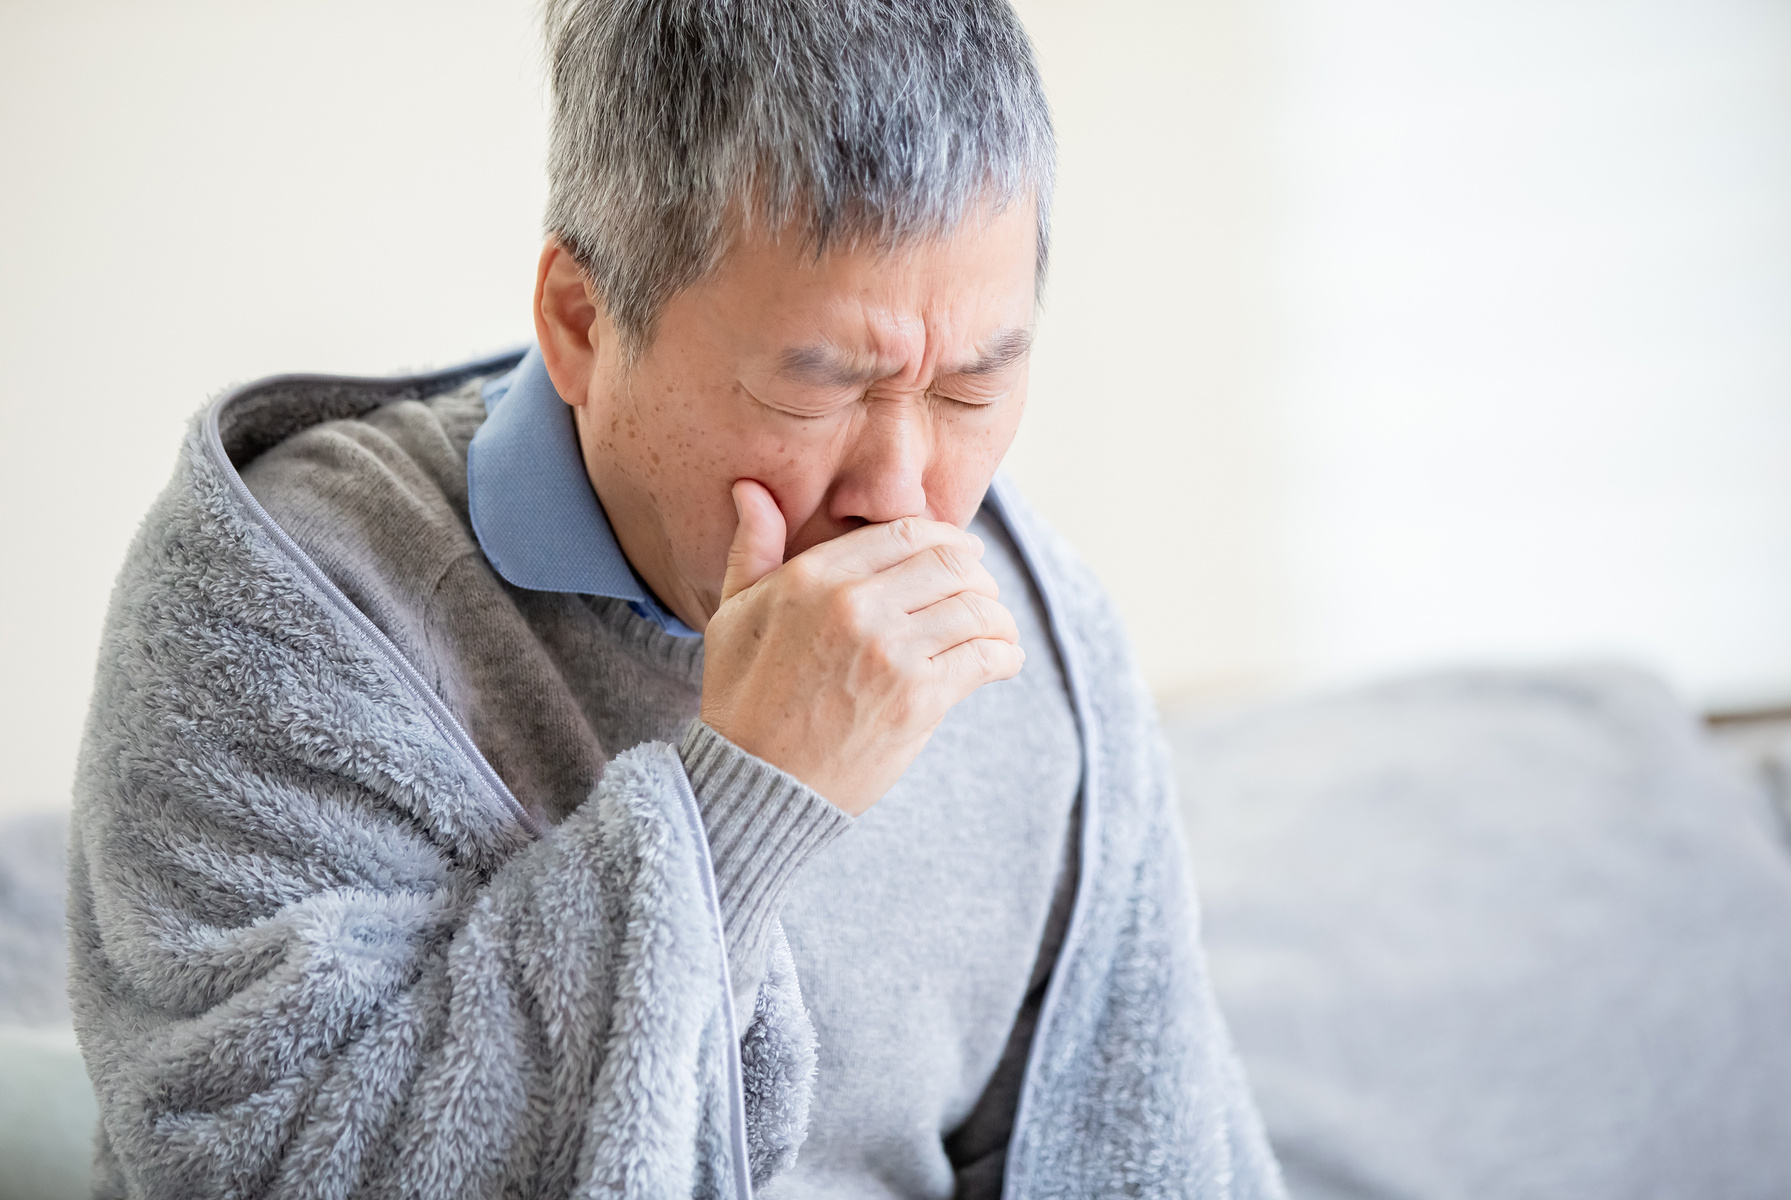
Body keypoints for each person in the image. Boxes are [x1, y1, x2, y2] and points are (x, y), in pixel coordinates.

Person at [67, 2, 1284, 1196]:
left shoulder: (1042, 633)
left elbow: (1151, 1144)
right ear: (582, 323)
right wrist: (746, 802)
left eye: (971, 393)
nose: (902, 498)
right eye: (821, 391)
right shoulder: (288, 604)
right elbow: (278, 1159)